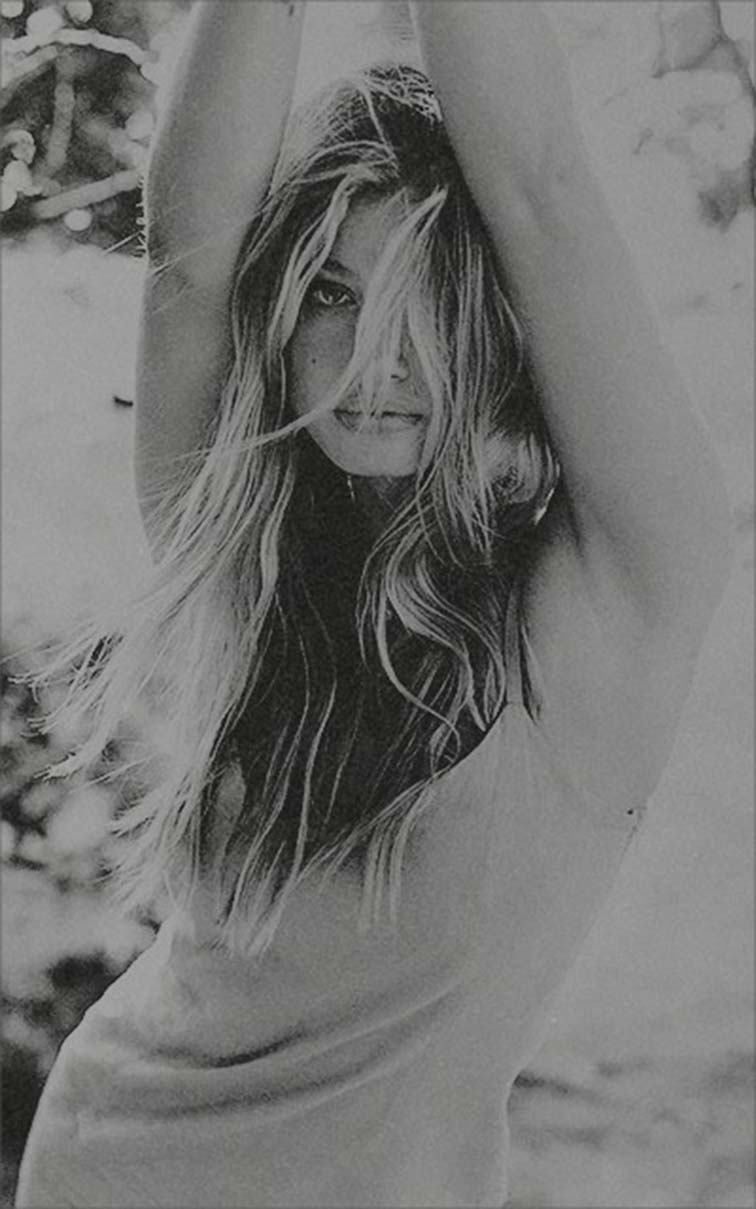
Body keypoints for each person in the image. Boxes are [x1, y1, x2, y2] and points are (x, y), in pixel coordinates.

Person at [16, 3, 732, 1207]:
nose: (376, 359)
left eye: (429, 299)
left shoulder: (620, 592)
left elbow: (542, 186)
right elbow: (190, 254)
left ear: (500, 320)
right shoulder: (244, 555)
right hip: (110, 1164)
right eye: (334, 293)